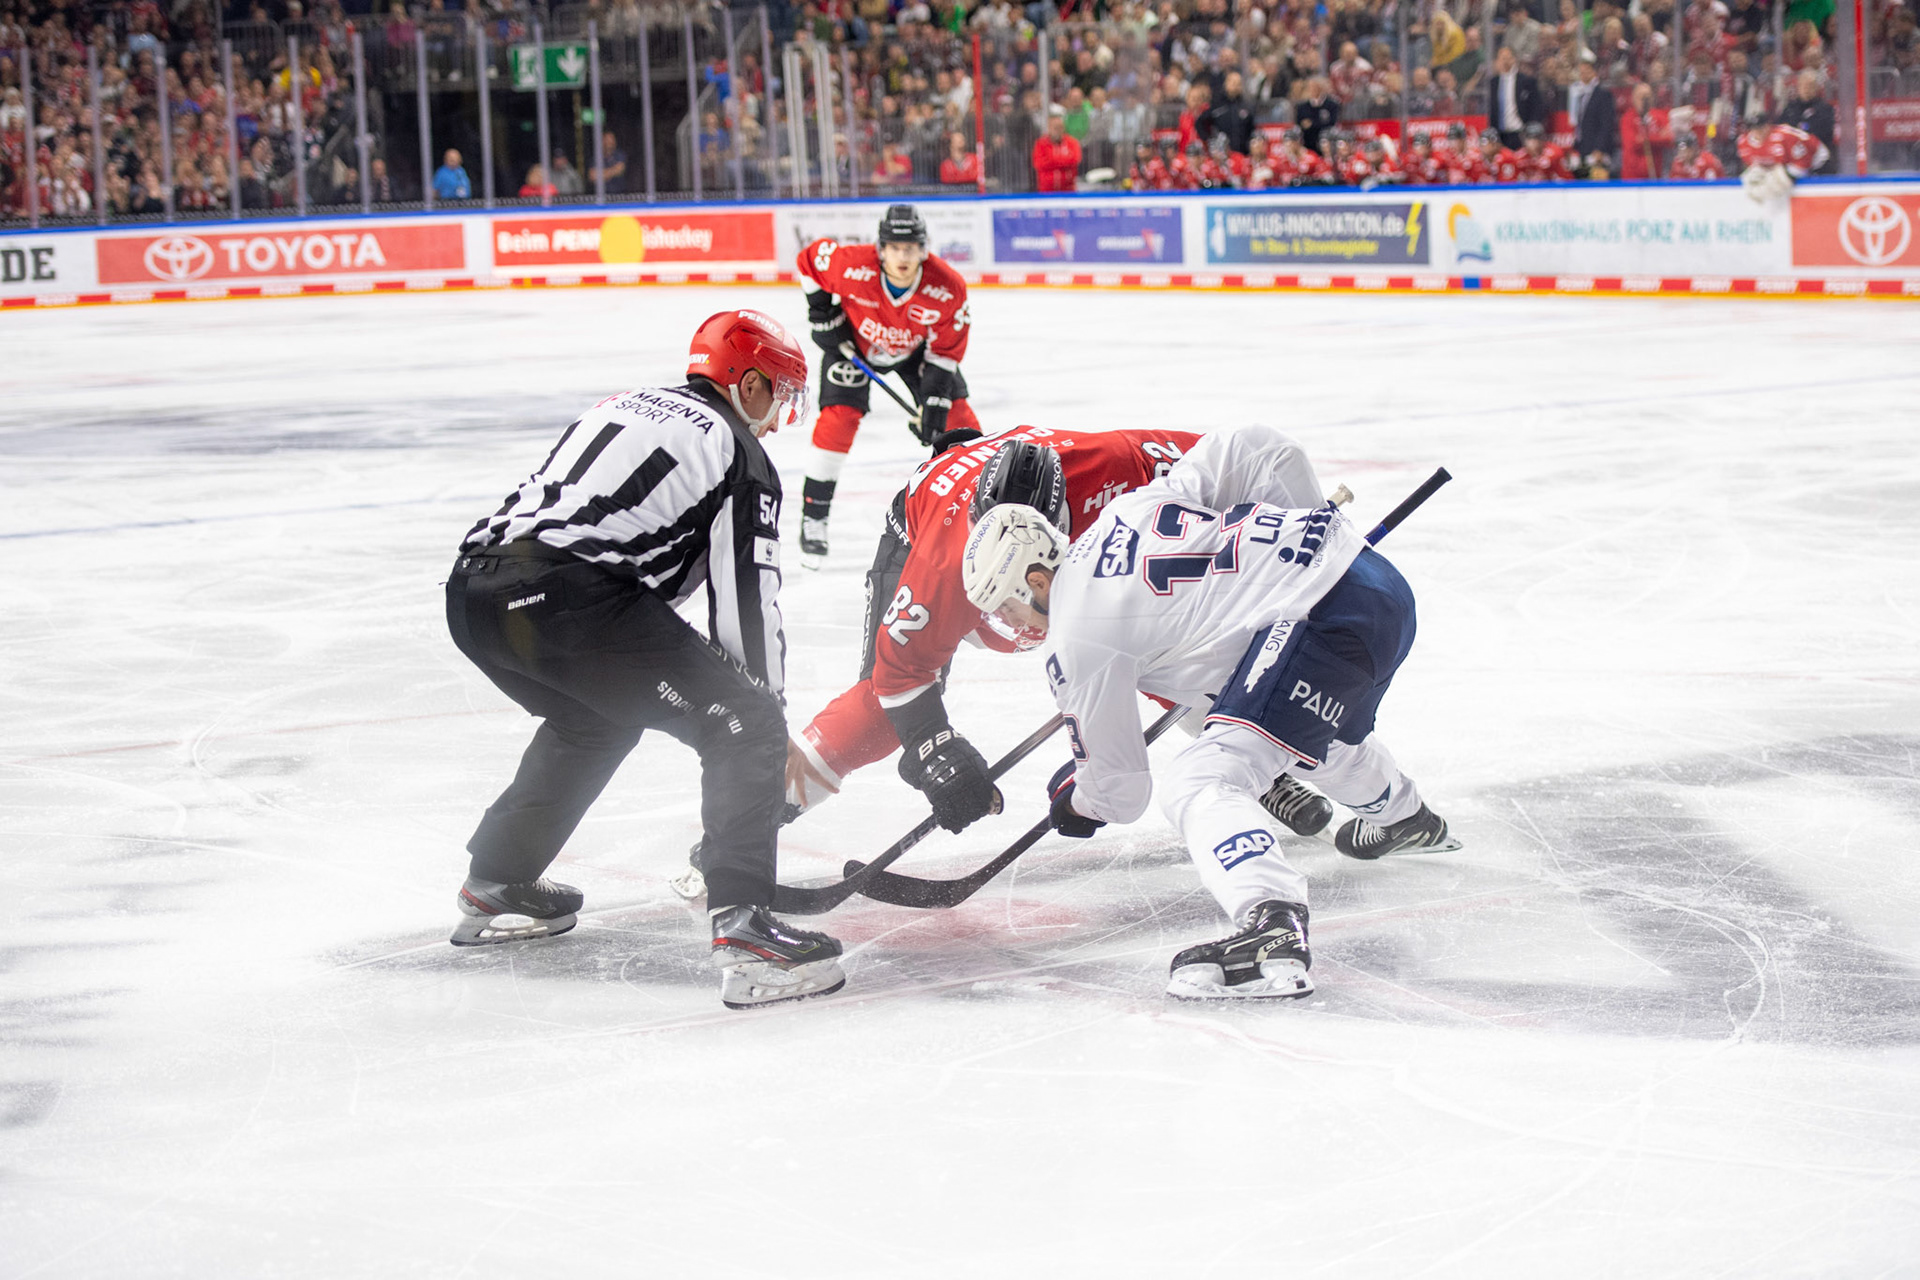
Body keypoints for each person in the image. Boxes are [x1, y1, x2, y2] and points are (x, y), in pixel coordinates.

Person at [961, 428, 1455, 1000]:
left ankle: (1272, 923)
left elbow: (1120, 791)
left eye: (1006, 606)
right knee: (1312, 739)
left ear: (1038, 579)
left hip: (1320, 625)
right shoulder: (1129, 510)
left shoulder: (1076, 639)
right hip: (1379, 591)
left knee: (1201, 779)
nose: (1012, 624)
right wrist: (1312, 533)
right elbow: (1259, 449)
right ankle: (1406, 816)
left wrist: (1077, 802)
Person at [444, 310, 846, 1010]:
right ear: (745, 382)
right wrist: (765, 719)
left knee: (592, 721)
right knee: (745, 722)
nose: (780, 418)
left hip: (473, 595)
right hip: (565, 599)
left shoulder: (622, 405)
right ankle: (746, 932)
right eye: (778, 393)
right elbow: (747, 606)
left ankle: (498, 880)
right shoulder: (736, 452)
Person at [793, 204, 977, 565]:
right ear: (881, 248)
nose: (903, 256)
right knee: (839, 419)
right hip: (854, 347)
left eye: (910, 248)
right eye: (894, 247)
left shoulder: (947, 286)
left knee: (959, 421)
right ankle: (813, 516)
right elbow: (807, 260)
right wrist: (822, 314)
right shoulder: (851, 266)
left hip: (913, 353)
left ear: (924, 249)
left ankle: (982, 506)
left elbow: (944, 350)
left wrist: (936, 401)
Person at [1485, 45, 1546, 149]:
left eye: (1507, 58)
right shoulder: (1494, 82)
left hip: (1520, 133)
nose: (1505, 61)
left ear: (1514, 59)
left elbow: (1536, 107)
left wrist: (1531, 131)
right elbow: (1493, 109)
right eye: (1502, 58)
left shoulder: (1527, 81)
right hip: (1501, 135)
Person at [1032, 105, 1083, 192]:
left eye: (1060, 127)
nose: (1057, 130)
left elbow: (1075, 160)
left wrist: (1051, 160)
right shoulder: (1040, 144)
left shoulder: (1072, 142)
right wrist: (1064, 161)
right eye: (1055, 128)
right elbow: (1039, 163)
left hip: (1068, 190)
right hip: (1047, 191)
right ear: (1049, 128)